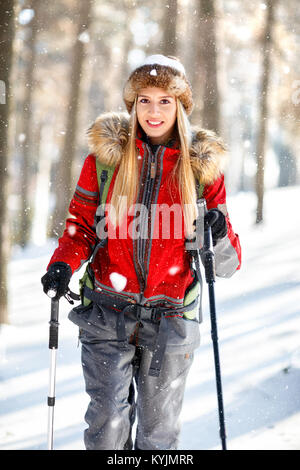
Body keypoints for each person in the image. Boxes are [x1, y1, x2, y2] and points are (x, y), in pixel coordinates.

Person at [41, 54, 241, 450]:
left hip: (171, 319)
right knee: (107, 431)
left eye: (165, 100)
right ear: (132, 106)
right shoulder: (105, 162)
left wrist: (217, 233)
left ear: (181, 107)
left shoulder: (201, 169)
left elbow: (228, 264)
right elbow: (80, 228)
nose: (154, 110)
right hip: (106, 311)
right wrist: (62, 264)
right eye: (145, 100)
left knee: (158, 439)